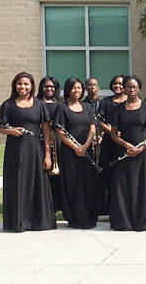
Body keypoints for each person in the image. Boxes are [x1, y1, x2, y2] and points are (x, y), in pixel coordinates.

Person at [0, 72, 56, 232]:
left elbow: (46, 131)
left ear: (32, 86)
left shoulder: (40, 105)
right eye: (19, 84)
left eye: (26, 84)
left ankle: (38, 222)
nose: (22, 87)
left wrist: (48, 155)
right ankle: (19, 221)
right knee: (18, 182)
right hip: (15, 151)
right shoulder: (8, 105)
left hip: (36, 150)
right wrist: (11, 132)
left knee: (37, 182)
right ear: (15, 86)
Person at [107, 75, 146, 231]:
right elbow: (113, 134)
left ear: (139, 88)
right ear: (124, 88)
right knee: (124, 185)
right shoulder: (118, 109)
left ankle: (145, 220)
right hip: (124, 151)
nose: (131, 90)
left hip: (143, 152)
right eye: (128, 87)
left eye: (134, 87)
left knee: (142, 185)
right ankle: (124, 221)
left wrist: (140, 148)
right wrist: (127, 146)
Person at [55, 78, 100, 229]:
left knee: (88, 184)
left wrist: (85, 145)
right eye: (74, 88)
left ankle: (89, 216)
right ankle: (74, 217)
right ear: (68, 89)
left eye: (79, 88)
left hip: (87, 151)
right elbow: (60, 132)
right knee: (73, 184)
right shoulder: (62, 108)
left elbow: (92, 128)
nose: (77, 91)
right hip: (69, 152)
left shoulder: (88, 107)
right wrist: (76, 147)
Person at [95, 75, 128, 216]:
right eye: (115, 83)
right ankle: (108, 209)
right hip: (110, 141)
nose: (117, 86)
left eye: (120, 84)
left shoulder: (131, 101)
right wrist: (112, 132)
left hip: (126, 142)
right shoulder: (106, 102)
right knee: (108, 173)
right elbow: (99, 120)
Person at [38, 76, 65, 212]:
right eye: (46, 86)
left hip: (59, 140)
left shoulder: (62, 103)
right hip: (41, 141)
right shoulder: (36, 103)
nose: (49, 89)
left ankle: (60, 203)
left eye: (52, 87)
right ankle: (46, 202)